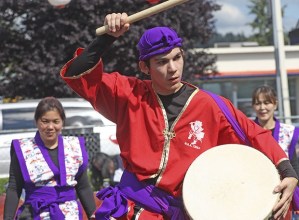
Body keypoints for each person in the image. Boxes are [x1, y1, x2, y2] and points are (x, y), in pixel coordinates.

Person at [60, 12, 298, 220]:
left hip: (190, 210)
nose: (172, 68)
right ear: (145, 67)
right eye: (161, 62)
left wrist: (288, 172)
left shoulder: (210, 104)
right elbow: (78, 74)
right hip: (136, 208)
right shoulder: (128, 94)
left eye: (177, 57)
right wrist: (107, 37)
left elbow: (254, 133)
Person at [4, 97, 96, 219]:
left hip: (69, 215)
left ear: (62, 122)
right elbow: (14, 188)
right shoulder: (23, 149)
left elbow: (83, 186)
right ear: (36, 121)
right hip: (35, 213)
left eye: (56, 121)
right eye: (45, 121)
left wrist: (93, 214)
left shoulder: (74, 147)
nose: (50, 127)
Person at [252, 85, 299, 219]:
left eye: (267, 102)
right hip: (255, 193)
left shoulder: (288, 132)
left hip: (282, 193)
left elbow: (294, 167)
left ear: (275, 104)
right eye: (258, 103)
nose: (262, 108)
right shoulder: (246, 133)